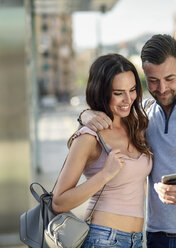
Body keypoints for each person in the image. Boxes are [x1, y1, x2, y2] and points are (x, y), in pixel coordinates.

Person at [81, 34, 176, 248]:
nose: (161, 88)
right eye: (153, 80)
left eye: (169, 79)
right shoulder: (142, 113)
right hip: (157, 236)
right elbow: (110, 112)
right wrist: (85, 115)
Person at [52, 53, 152, 248]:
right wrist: (105, 174)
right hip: (103, 238)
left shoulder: (137, 126)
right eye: (118, 93)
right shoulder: (89, 137)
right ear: (101, 92)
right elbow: (59, 202)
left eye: (132, 90)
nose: (128, 99)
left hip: (137, 240)